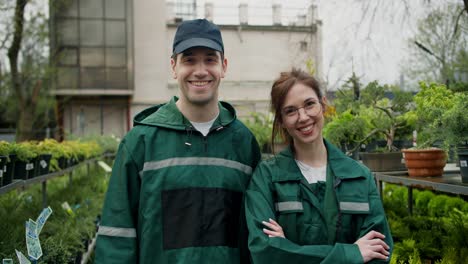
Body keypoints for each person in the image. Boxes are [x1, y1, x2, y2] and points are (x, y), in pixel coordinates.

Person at [94, 19, 261, 263]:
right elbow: (116, 236)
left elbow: (255, 234)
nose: (200, 70)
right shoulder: (140, 142)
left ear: (224, 66)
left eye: (210, 59)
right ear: (174, 66)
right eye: (189, 59)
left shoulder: (244, 143)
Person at [245, 69, 393, 263]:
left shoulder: (358, 176)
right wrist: (351, 253)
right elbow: (266, 252)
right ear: (281, 120)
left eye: (309, 104)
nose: (303, 117)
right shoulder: (266, 178)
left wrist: (290, 250)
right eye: (291, 111)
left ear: (323, 105)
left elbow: (379, 253)